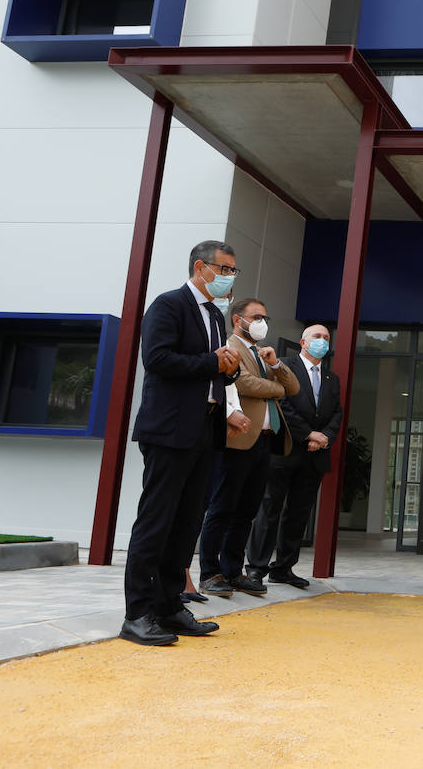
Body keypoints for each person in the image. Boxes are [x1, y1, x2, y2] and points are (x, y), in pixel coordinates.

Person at [120, 241, 242, 646]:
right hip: (169, 431)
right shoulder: (168, 305)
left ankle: (169, 605)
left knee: (187, 523)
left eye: (233, 271)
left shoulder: (215, 315)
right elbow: (157, 359)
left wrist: (228, 369)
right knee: (157, 522)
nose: (229, 277)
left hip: (205, 431)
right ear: (200, 267)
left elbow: (215, 371)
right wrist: (213, 362)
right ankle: (138, 613)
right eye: (224, 269)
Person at [197, 298, 298, 598]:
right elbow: (243, 383)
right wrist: (278, 389)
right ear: (237, 319)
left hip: (264, 440)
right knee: (222, 507)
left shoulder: (263, 353)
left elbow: (293, 387)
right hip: (237, 439)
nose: (261, 322)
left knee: (246, 511)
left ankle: (233, 571)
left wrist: (276, 365)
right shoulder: (230, 347)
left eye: (265, 317)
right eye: (256, 317)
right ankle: (209, 572)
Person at [247, 324, 342, 589]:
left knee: (299, 513)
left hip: (315, 455)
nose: (322, 341)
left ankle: (283, 568)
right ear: (303, 342)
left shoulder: (332, 378)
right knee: (270, 508)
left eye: (326, 337)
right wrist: (308, 434)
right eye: (317, 337)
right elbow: (281, 403)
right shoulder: (283, 366)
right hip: (285, 449)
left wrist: (324, 437)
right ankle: (256, 568)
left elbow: (336, 412)